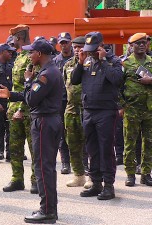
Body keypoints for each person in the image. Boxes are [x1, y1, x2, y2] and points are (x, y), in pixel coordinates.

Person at [0, 38, 63, 224]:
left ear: (39, 54)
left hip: (45, 122)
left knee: (42, 167)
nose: (29, 55)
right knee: (45, 166)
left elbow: (31, 99)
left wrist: (28, 80)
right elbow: (31, 95)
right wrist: (11, 95)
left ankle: (47, 211)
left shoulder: (45, 74)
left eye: (31, 52)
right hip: (48, 120)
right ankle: (49, 208)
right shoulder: (47, 71)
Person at [72, 32, 123, 200]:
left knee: (106, 149)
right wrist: (80, 63)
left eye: (94, 50)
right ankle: (95, 183)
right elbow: (74, 80)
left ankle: (109, 185)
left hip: (106, 112)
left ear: (101, 46)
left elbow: (117, 79)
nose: (91, 53)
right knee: (92, 149)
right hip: (89, 111)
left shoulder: (113, 61)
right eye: (89, 50)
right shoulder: (86, 61)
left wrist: (103, 61)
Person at [2, 24, 38, 194]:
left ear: (20, 38)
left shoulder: (31, 57)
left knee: (33, 148)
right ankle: (17, 179)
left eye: (14, 38)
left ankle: (35, 181)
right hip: (13, 109)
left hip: (27, 111)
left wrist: (22, 109)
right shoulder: (18, 57)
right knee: (15, 148)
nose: (12, 41)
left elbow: (30, 87)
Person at [122, 33, 152, 187]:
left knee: (149, 142)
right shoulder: (125, 64)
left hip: (149, 110)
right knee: (130, 143)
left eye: (144, 42)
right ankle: (130, 174)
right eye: (138, 43)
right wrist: (121, 105)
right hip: (131, 110)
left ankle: (146, 174)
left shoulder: (151, 62)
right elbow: (117, 88)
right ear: (131, 46)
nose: (141, 45)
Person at [63, 36, 87, 187]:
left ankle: (92, 176)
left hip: (88, 109)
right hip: (71, 109)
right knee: (72, 144)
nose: (78, 50)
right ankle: (79, 175)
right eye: (76, 47)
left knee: (90, 146)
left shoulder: (91, 64)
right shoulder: (68, 65)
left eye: (81, 47)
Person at [0, 43, 15, 163]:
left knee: (10, 128)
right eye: (8, 51)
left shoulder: (11, 66)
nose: (10, 53)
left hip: (9, 102)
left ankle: (9, 152)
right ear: (1, 52)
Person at [54, 32, 74, 175]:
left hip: (74, 101)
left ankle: (81, 162)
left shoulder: (77, 59)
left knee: (77, 132)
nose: (63, 45)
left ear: (70, 43)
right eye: (61, 43)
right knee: (62, 133)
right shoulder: (55, 61)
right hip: (60, 101)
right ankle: (65, 163)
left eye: (66, 42)